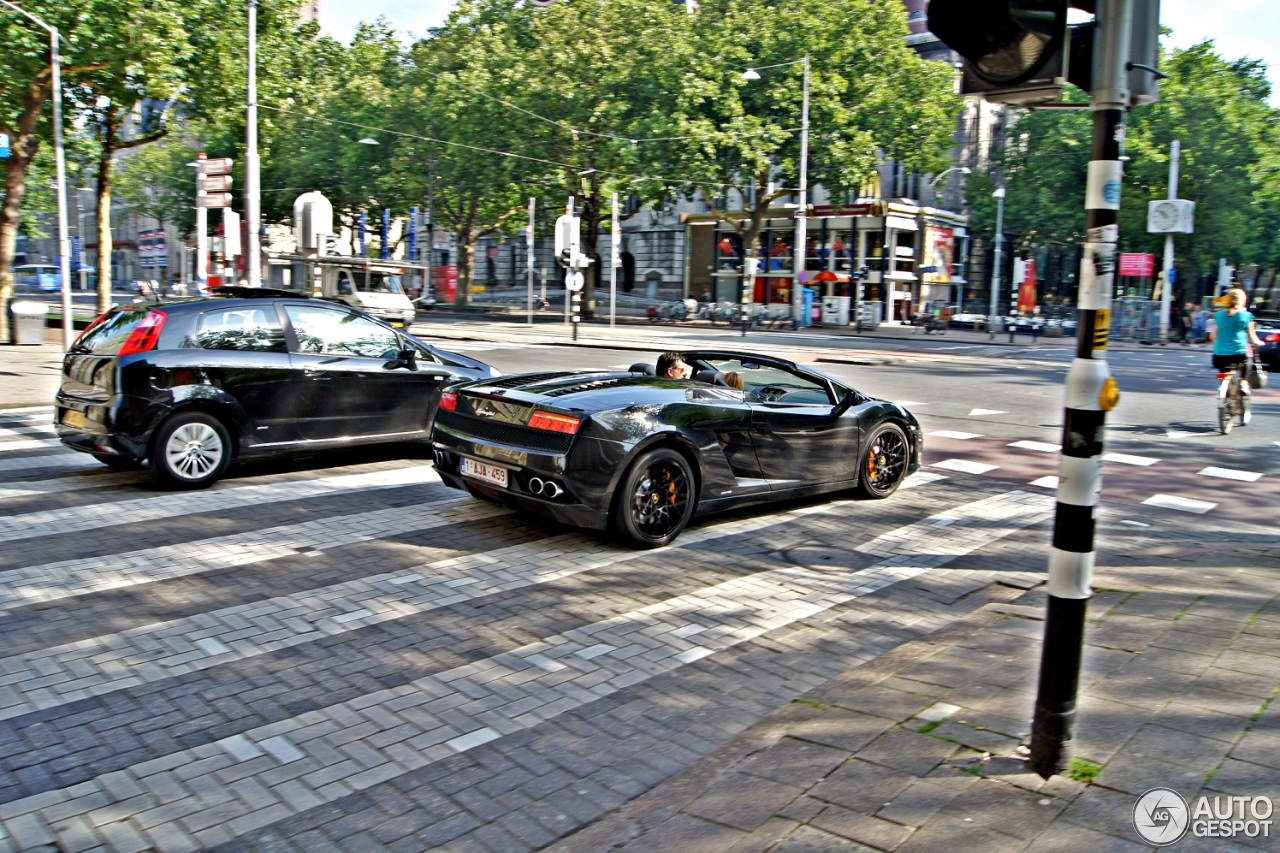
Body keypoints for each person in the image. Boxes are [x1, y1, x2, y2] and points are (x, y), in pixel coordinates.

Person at [1208, 287, 1264, 394]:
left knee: (1225, 373)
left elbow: (1212, 336)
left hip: (1218, 356)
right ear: (1243, 300)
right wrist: (1259, 342)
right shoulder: (1246, 316)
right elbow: (1252, 337)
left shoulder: (1219, 315)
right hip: (1238, 355)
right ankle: (1243, 382)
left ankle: (1224, 392)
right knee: (1248, 358)